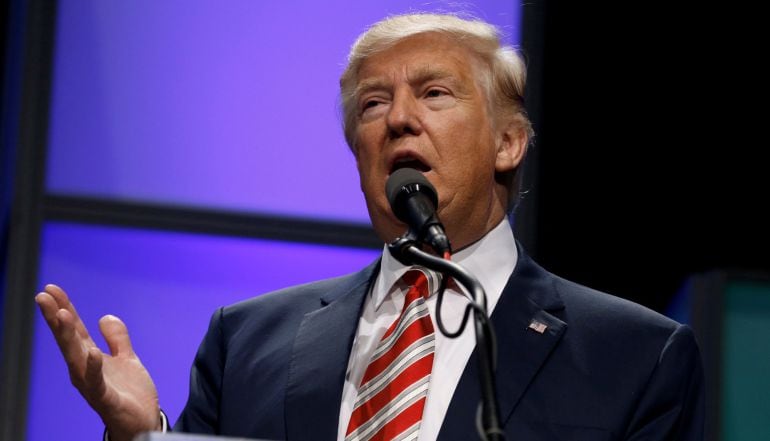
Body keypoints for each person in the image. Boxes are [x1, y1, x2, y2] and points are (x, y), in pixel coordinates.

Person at [35, 13, 704, 441]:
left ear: (508, 142)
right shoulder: (245, 338)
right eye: (373, 103)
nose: (398, 119)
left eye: (435, 93)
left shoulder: (636, 355)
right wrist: (143, 436)